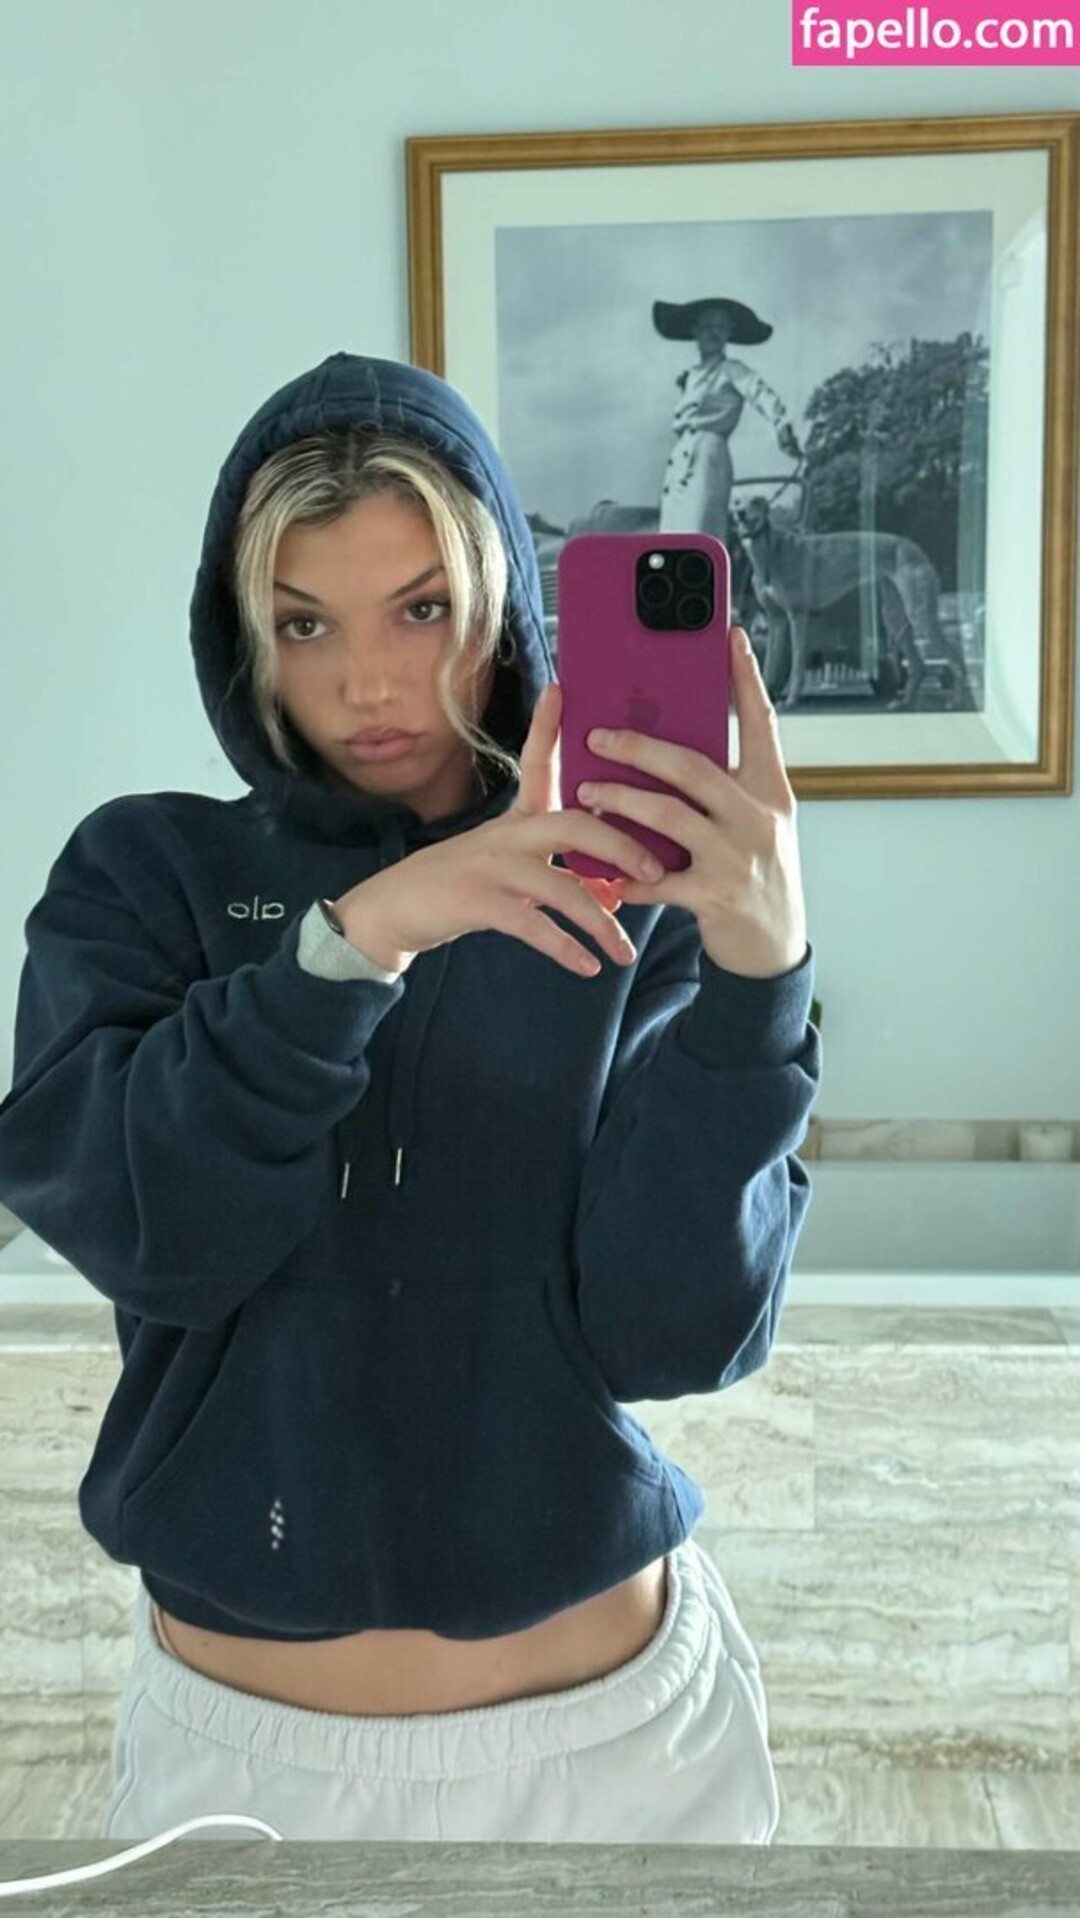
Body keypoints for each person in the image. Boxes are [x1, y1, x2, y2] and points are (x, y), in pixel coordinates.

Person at [0, 351, 819, 1846]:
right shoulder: (142, 875)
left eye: (422, 608)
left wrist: (762, 982)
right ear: (242, 632)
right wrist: (355, 942)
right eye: (304, 621)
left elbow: (677, 1329)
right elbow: (158, 1234)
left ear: (500, 602)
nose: (367, 684)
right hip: (241, 1770)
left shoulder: (626, 895)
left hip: (621, 1746)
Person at [654, 297, 802, 546]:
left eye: (721, 327)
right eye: (707, 326)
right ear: (695, 331)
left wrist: (781, 424)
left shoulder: (731, 369)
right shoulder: (690, 377)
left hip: (707, 458)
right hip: (678, 462)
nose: (714, 333)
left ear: (728, 334)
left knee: (698, 533)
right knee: (671, 539)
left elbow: (760, 393)